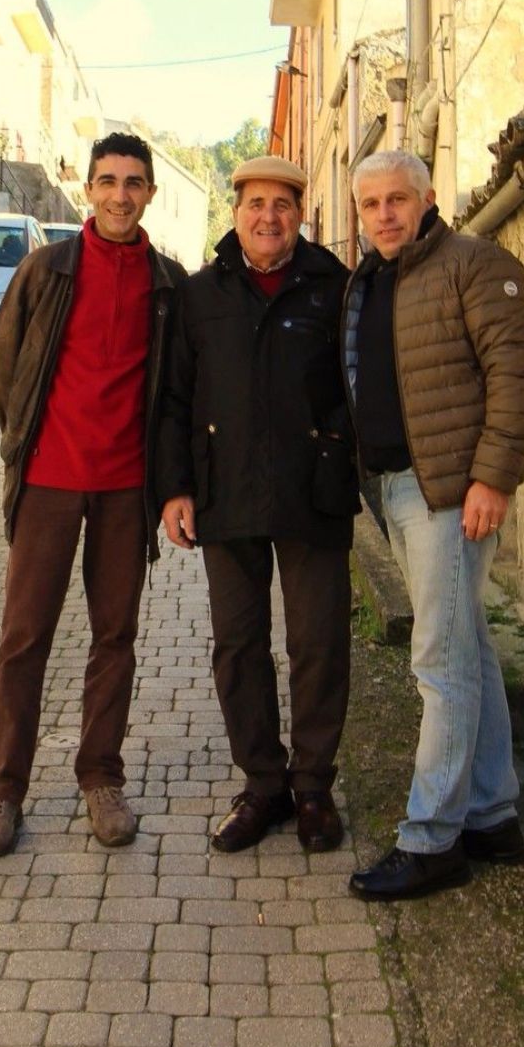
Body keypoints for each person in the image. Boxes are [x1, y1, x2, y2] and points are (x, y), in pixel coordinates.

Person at [0, 131, 186, 858]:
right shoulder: (46, 270)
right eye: (108, 181)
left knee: (114, 638)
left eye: (133, 182)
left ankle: (101, 777)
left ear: (150, 193)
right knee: (23, 638)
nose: (120, 194)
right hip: (49, 484)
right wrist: (26, 447)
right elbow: (5, 365)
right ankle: (3, 792)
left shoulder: (168, 284)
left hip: (127, 488)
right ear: (89, 190)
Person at [342, 150, 524, 900]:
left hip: (450, 492)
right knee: (470, 651)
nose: (385, 214)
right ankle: (492, 816)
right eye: (371, 205)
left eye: (398, 199)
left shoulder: (472, 263)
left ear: (427, 198)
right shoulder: (371, 280)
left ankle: (432, 840)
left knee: (439, 662)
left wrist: (494, 476)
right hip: (394, 490)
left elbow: (517, 370)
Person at [158, 156, 358, 854]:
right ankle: (263, 785)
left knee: (319, 644)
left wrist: (346, 456)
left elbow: (356, 386)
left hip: (316, 491)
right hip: (227, 491)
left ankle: (313, 789)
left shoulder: (333, 285)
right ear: (235, 211)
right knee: (238, 647)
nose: (268, 216)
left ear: (299, 213)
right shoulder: (202, 293)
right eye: (255, 204)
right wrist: (176, 488)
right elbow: (175, 397)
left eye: (281, 204)